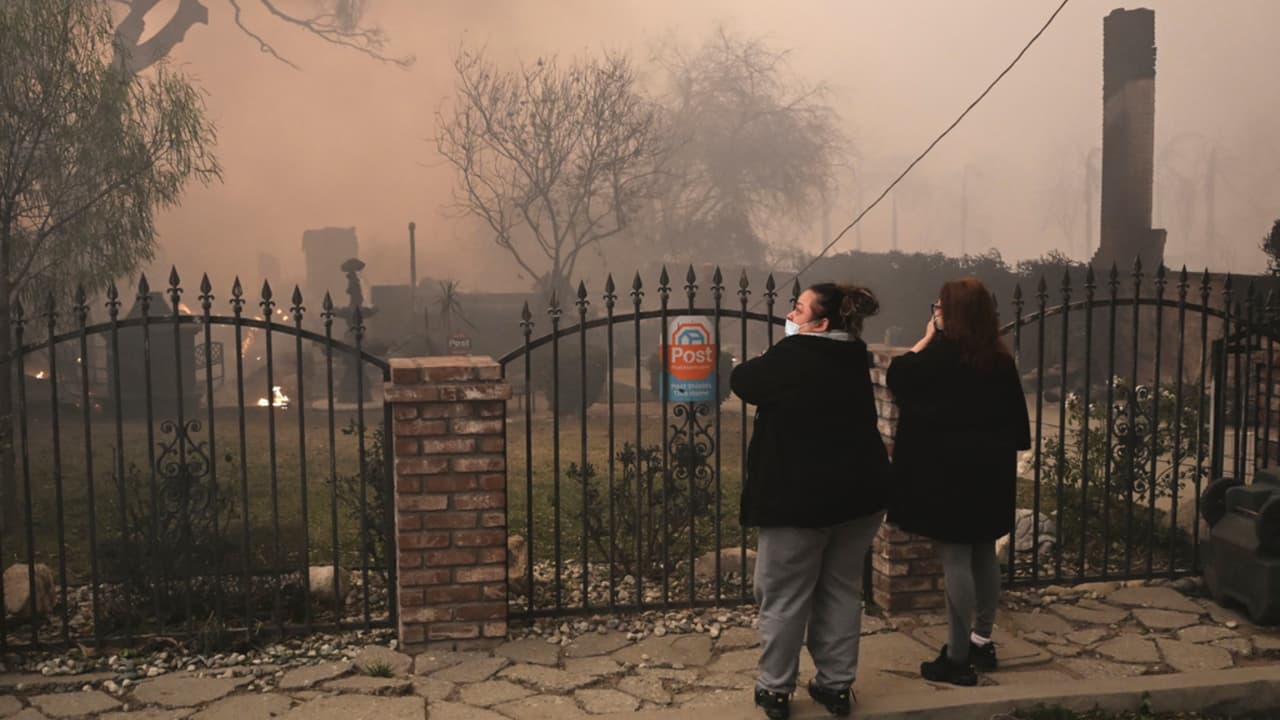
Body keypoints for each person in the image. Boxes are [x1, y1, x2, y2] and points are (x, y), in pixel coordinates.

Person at [731, 283, 889, 719]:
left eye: (798, 309)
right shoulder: (854, 354)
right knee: (840, 590)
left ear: (820, 323)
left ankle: (775, 689)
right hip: (860, 495)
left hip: (799, 500)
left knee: (782, 595)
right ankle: (835, 686)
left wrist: (775, 353)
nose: (791, 313)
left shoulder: (796, 354)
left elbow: (742, 380)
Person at [885, 277, 1031, 686]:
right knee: (984, 551)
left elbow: (897, 375)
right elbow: (1019, 429)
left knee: (955, 561)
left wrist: (925, 338)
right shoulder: (999, 361)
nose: (934, 313)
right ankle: (982, 639)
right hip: (989, 476)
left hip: (947, 479)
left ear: (952, 315)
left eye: (939, 308)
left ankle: (958, 657)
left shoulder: (938, 357)